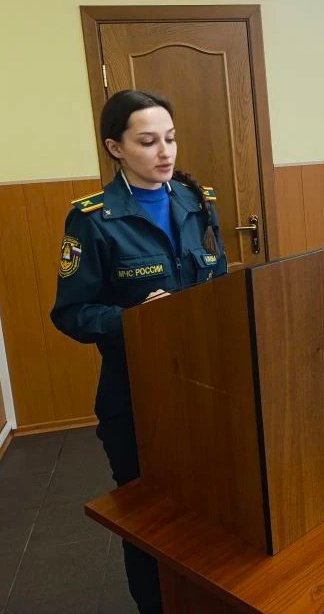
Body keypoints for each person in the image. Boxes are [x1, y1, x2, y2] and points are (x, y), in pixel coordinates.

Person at [51, 89, 228, 614]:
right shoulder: (93, 219)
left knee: (213, 509)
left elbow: (217, 281)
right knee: (149, 520)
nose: (164, 151)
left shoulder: (197, 201)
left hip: (207, 387)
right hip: (136, 397)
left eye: (170, 138)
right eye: (148, 142)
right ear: (116, 148)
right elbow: (71, 313)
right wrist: (135, 321)